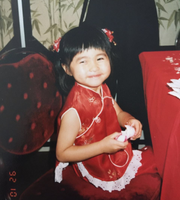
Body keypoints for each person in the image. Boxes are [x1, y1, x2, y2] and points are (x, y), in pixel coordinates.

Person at [54, 25, 157, 192]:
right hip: (94, 163)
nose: (94, 67)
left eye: (100, 58)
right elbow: (62, 153)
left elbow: (119, 113)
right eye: (83, 61)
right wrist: (102, 147)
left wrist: (129, 120)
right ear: (67, 69)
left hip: (111, 151)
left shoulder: (103, 87)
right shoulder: (73, 111)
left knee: (158, 159)